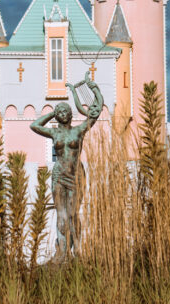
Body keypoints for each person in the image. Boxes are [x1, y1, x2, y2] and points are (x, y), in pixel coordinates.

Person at [30, 71, 103, 259]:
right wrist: (51, 113)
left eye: (65, 111)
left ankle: (78, 249)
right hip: (58, 175)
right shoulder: (55, 134)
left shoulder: (79, 131)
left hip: (75, 175)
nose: (62, 113)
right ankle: (62, 251)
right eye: (59, 112)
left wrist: (93, 88)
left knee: (73, 214)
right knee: (61, 216)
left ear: (70, 115)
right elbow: (35, 125)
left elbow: (96, 111)